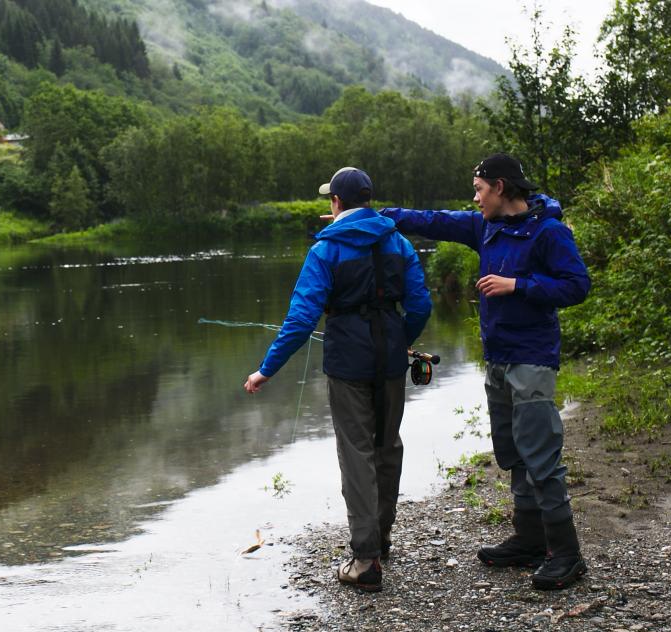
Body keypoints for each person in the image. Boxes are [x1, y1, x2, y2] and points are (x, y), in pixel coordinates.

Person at [379, 153, 591, 590]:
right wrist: (376, 216)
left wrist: (518, 286)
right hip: (497, 359)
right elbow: (433, 221)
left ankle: (567, 554)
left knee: (540, 456)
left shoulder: (548, 232)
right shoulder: (484, 227)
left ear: (499, 187)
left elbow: (576, 286)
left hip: (532, 358)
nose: (474, 198)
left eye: (478, 190)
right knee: (512, 450)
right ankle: (530, 540)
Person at [244, 167, 432, 593]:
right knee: (387, 445)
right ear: (367, 199)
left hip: (348, 362)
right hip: (389, 359)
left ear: (336, 203)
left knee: (357, 452)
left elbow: (300, 320)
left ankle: (365, 559)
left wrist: (266, 370)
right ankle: (380, 539)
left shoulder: (326, 251)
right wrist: (403, 339)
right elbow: (420, 303)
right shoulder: (398, 241)